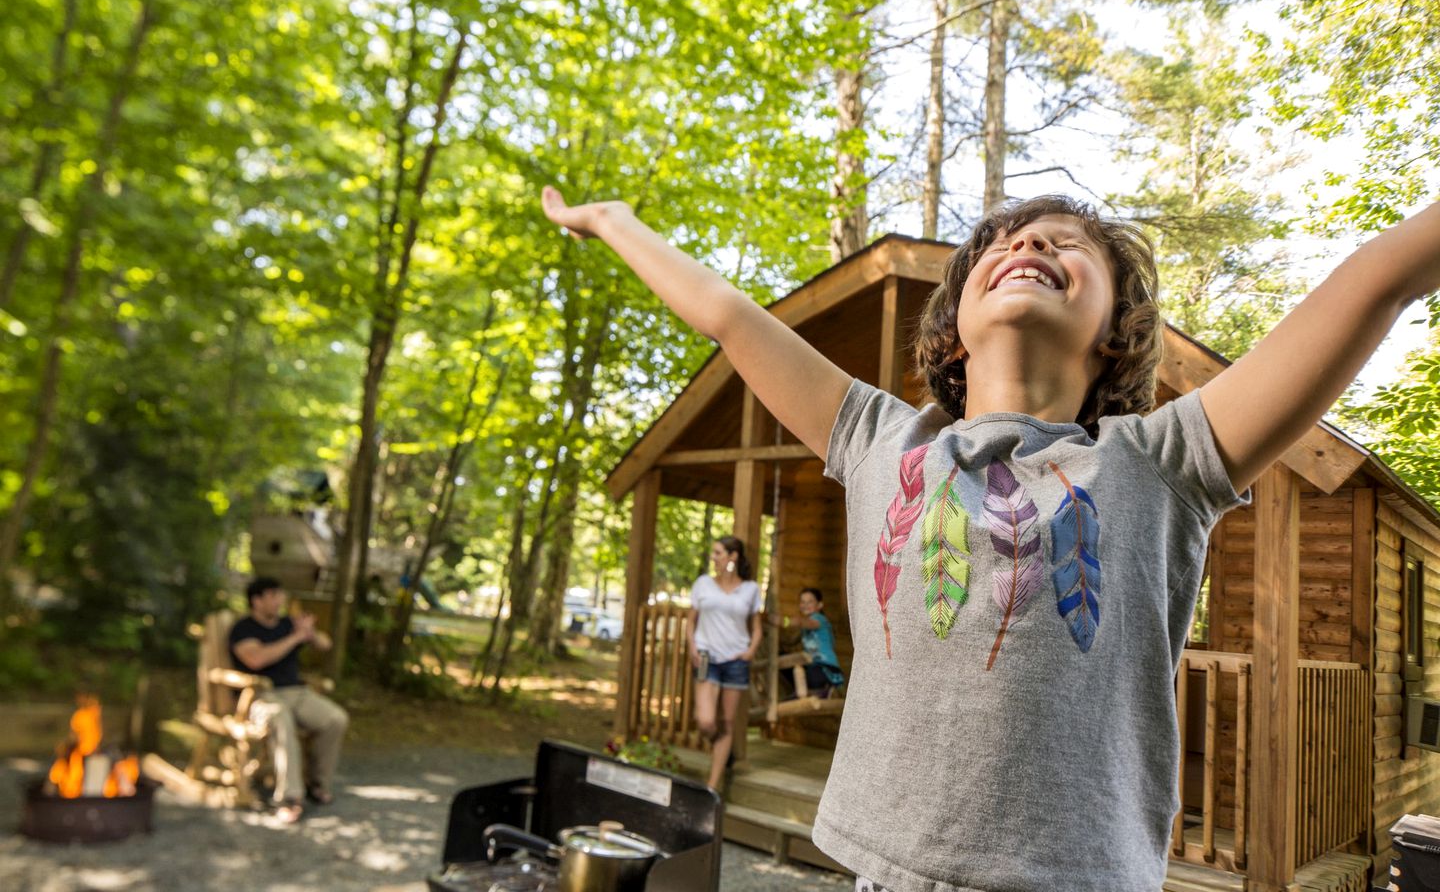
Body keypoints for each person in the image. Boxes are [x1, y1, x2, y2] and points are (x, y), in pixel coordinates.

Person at [541, 183, 1440, 891]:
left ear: (1116, 336)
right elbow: (730, 316)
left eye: (1067, 244)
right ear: (953, 335)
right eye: (1003, 243)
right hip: (886, 875)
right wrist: (615, 222)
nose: (1030, 245)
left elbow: (1377, 276)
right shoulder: (882, 442)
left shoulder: (1161, 460)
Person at [230, 576, 349, 824]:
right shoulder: (243, 629)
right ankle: (290, 798)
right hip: (260, 695)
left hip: (297, 693)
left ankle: (316, 784)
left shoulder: (287, 623)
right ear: (256, 601)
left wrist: (309, 632)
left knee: (336, 719)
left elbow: (325, 645)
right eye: (273, 595)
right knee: (281, 721)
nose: (279, 600)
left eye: (280, 595)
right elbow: (256, 659)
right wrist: (295, 638)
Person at [686, 536, 762, 790]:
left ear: (733, 556)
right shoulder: (703, 584)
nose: (713, 557)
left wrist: (750, 651)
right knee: (706, 721)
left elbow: (756, 627)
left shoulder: (750, 589)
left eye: (718, 553)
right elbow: (690, 621)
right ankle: (720, 746)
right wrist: (693, 647)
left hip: (736, 662)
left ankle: (712, 785)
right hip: (705, 658)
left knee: (727, 722)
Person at [777, 587, 845, 697]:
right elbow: (790, 641)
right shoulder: (805, 627)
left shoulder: (819, 619)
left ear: (820, 605)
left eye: (810, 602)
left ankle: (826, 690)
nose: (805, 605)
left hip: (826, 669)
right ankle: (812, 692)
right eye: (802, 602)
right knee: (784, 661)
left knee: (807, 674)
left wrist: (784, 621)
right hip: (813, 667)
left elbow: (801, 622)